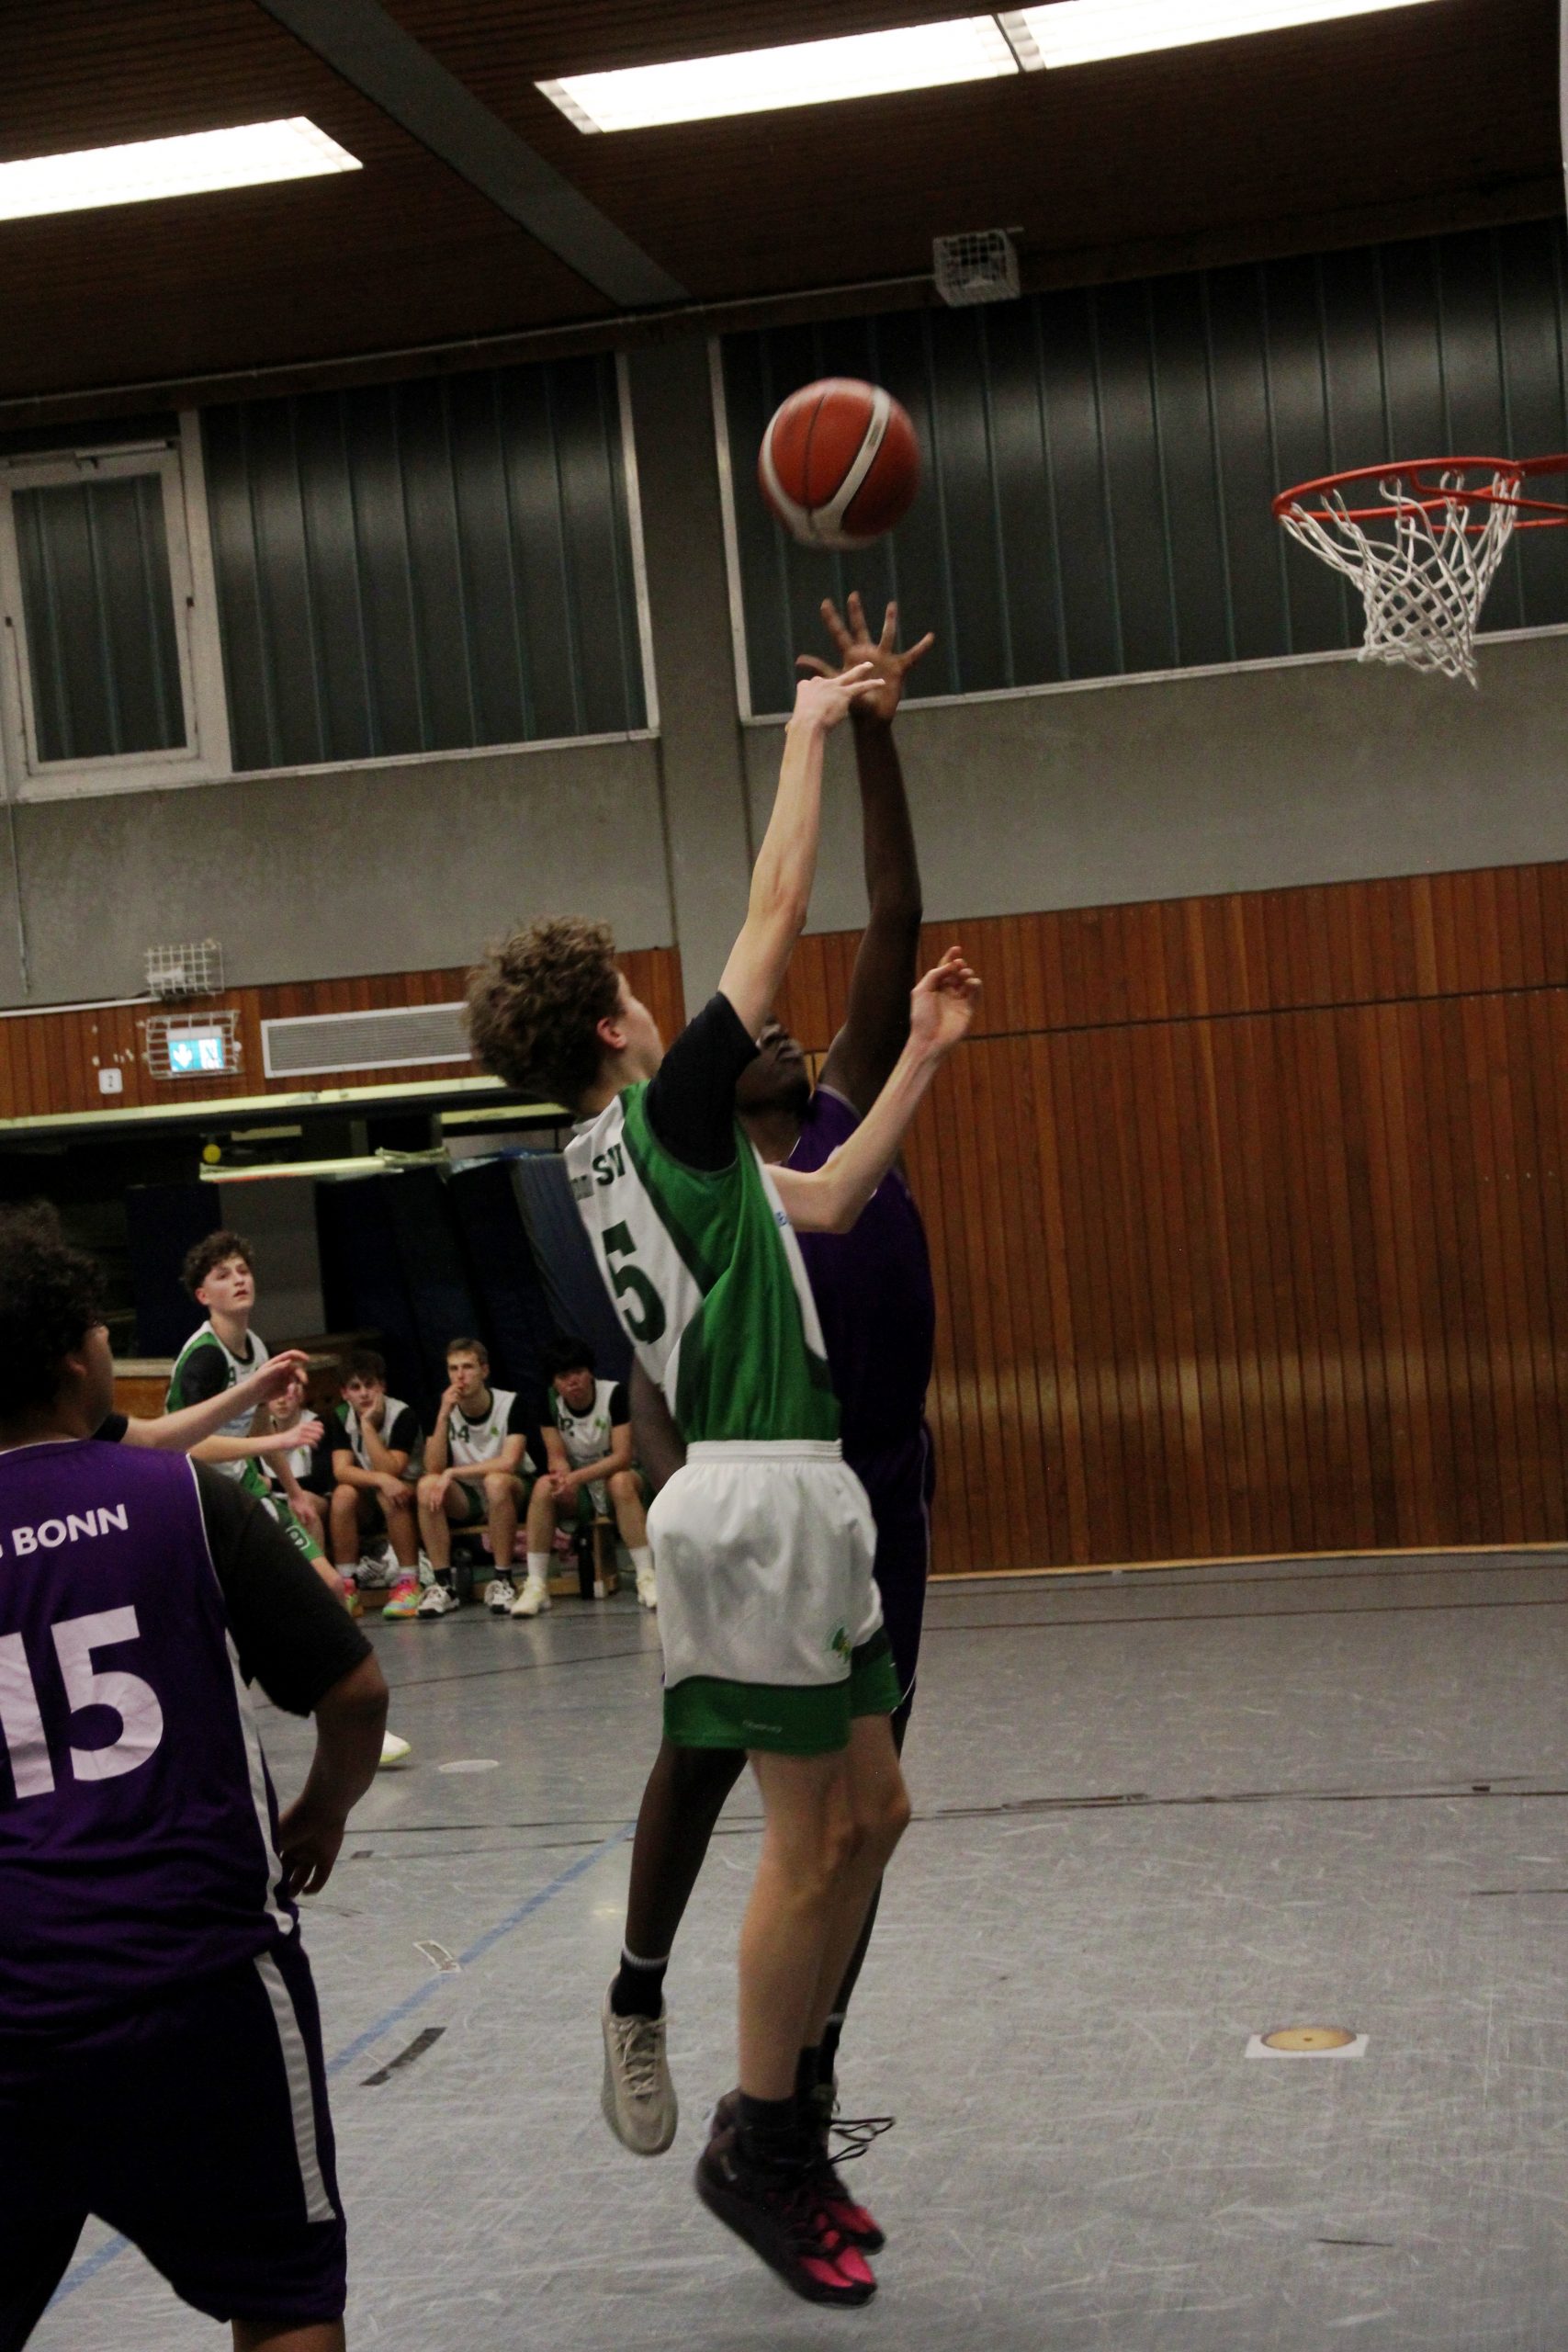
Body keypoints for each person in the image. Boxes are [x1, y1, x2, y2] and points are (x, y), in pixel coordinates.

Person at [468, 654, 978, 2307]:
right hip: (758, 1498)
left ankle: (782, 2128)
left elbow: (820, 1206)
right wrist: (811, 726)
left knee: (875, 1815)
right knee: (805, 1842)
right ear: (613, 1022)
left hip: (793, 1493)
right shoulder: (672, 1116)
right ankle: (758, 2139)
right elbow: (778, 898)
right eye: (640, 989)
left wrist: (923, 1058)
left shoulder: (644, 1158)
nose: (674, 1003)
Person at [605, 598, 938, 2222]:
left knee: (859, 1822)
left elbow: (894, 915)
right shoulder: (701, 1189)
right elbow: (650, 1387)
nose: (788, 1027)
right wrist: (683, 1535)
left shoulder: (834, 1111)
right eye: (754, 1035)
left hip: (881, 1493)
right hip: (758, 1500)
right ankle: (637, 1992)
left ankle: (800, 2096)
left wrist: (873, 733)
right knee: (709, 1768)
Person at [0, 1206, 388, 2352]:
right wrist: (322, 1809)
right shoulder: (178, 1498)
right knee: (285, 2298)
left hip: (18, 1997)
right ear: (78, 1360)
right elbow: (356, 1691)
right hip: (201, 1980)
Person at [520, 1334, 656, 1615]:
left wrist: (576, 1478)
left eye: (578, 1372)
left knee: (620, 1483)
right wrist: (561, 1476)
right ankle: (536, 1584)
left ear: (590, 1372)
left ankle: (647, 1577)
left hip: (620, 1477)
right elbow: (556, 1455)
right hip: (580, 1485)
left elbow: (622, 1457)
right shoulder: (548, 1403)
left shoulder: (614, 1395)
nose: (573, 1381)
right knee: (544, 1486)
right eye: (564, 1376)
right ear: (554, 1383)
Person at [412, 1338, 537, 1620]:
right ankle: (444, 1585)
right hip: (469, 1496)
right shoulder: (444, 1407)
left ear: (484, 1370)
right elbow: (433, 1467)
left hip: (512, 1487)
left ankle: (503, 1580)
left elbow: (509, 1462)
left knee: (495, 1481)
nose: (460, 1376)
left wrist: (453, 1472)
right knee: (426, 1486)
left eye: (467, 1367)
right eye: (453, 1368)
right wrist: (443, 1416)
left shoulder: (510, 1403)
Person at [327, 1351, 422, 1612]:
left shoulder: (402, 1414)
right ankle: (348, 1585)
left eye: (370, 1385)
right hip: (377, 1487)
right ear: (345, 1393)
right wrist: (379, 1479)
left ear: (382, 1386)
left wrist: (367, 1427)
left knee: (389, 1494)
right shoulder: (341, 1416)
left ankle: (409, 1582)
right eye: (355, 1387)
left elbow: (392, 1469)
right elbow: (341, 1470)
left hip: (411, 1488)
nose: (364, 1394)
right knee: (343, 1494)